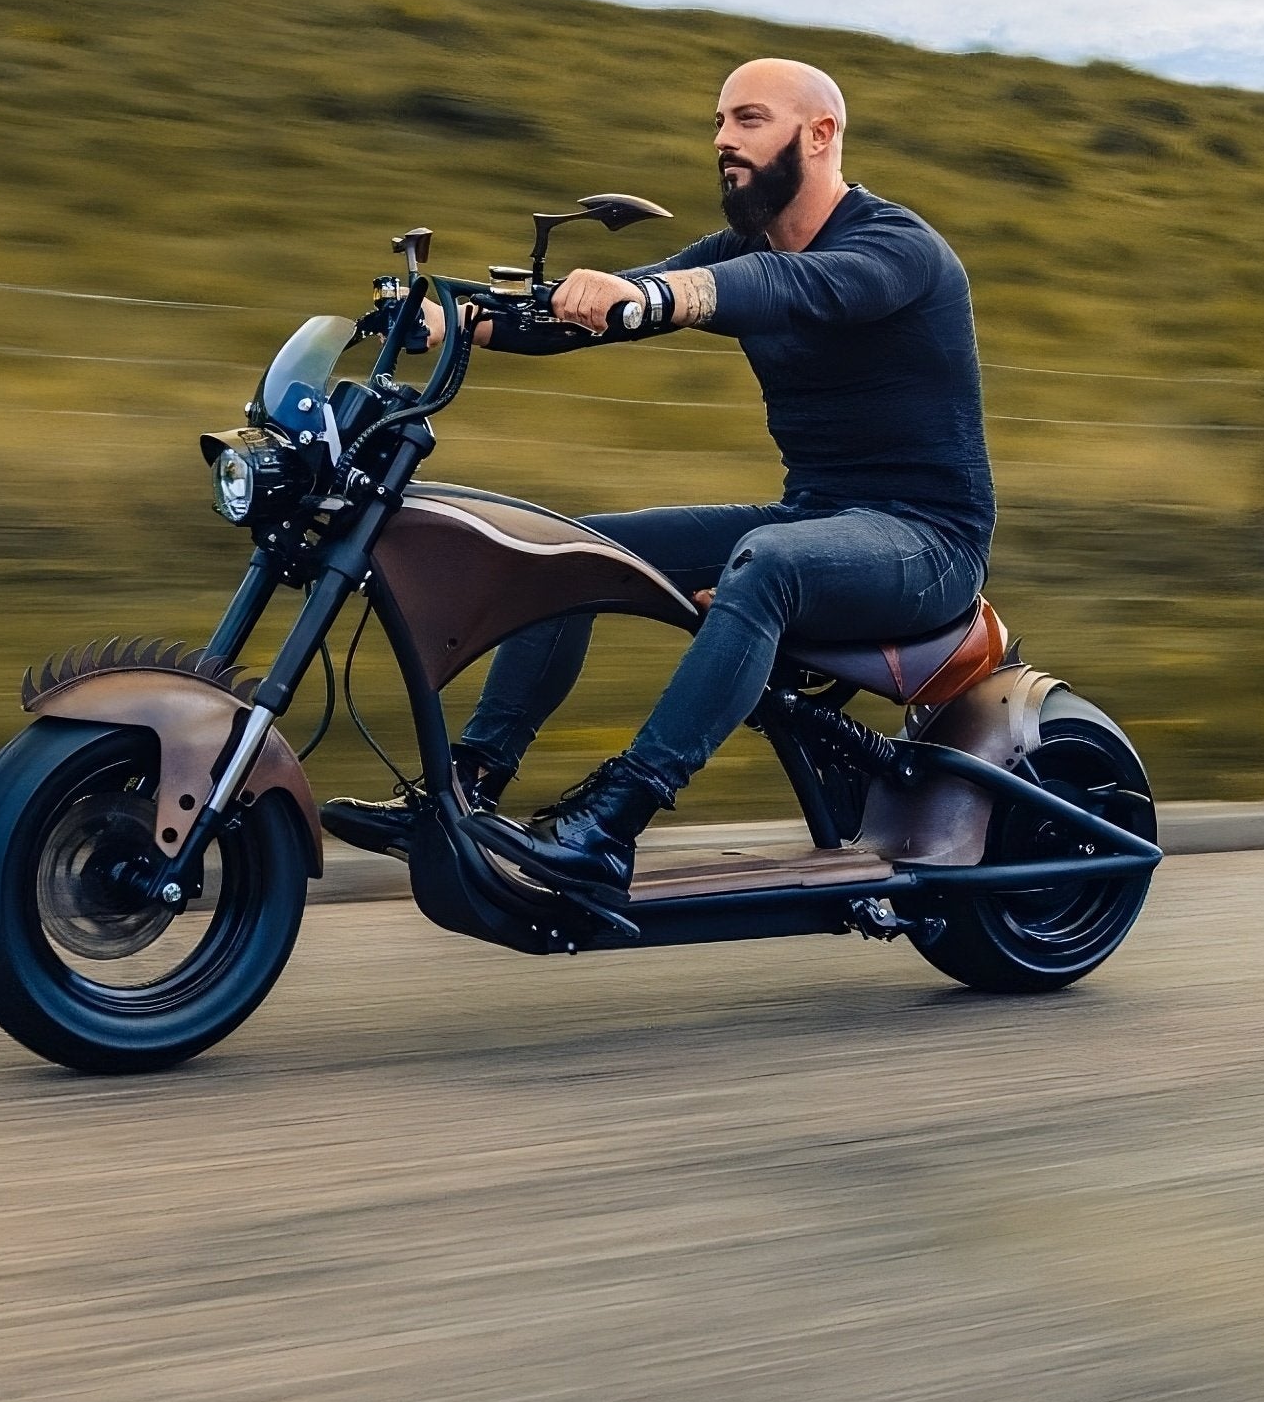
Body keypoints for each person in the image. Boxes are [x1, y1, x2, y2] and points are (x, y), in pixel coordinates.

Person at [321, 57, 995, 903]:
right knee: (567, 548)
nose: (721, 141)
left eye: (747, 120)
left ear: (820, 135)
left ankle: (612, 820)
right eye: (718, 123)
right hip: (820, 515)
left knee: (770, 560)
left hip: (927, 540)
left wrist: (659, 295)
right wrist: (456, 319)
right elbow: (607, 313)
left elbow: (780, 288)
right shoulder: (744, 246)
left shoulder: (896, 247)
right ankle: (468, 782)